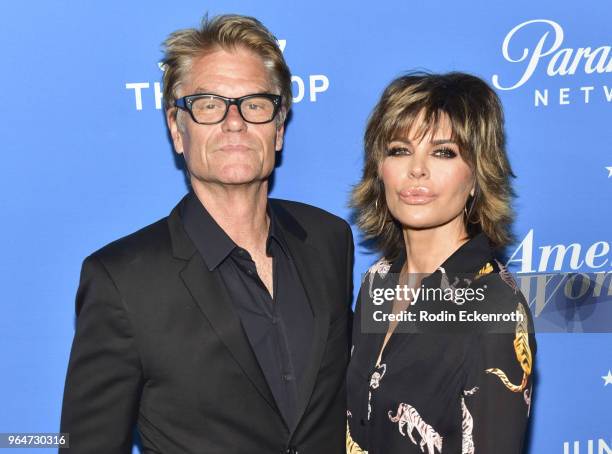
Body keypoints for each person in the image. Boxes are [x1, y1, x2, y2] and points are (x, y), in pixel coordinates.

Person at [60, 14, 353, 454]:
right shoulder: (121, 280)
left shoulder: (329, 240)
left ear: (278, 126)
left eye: (254, 103)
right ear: (177, 129)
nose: (234, 122)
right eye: (209, 104)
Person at [346, 72, 536, 453]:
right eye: (399, 150)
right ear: (379, 169)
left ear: (477, 176)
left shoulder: (493, 309)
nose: (417, 169)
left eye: (443, 152)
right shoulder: (378, 280)